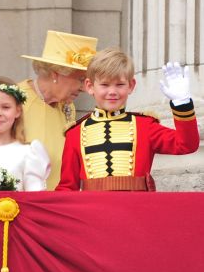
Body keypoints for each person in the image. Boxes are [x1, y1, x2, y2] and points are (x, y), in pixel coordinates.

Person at [57, 51, 198, 191]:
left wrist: (182, 103)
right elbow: (67, 187)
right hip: (92, 211)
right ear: (90, 86)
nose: (112, 91)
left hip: (136, 210)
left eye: (119, 84)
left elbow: (186, 144)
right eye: (105, 85)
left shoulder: (144, 126)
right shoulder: (75, 133)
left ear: (131, 86)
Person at [19, 30, 97, 189]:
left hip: (60, 202)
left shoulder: (68, 107)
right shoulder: (14, 100)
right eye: (81, 79)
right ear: (56, 74)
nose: (84, 88)